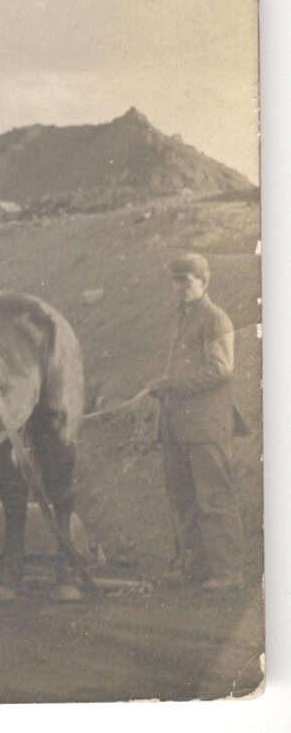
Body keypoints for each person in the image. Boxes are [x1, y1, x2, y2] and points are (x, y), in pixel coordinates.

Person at [149, 252, 245, 591]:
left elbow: (221, 369)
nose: (178, 287)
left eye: (185, 280)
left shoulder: (214, 319)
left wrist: (172, 385)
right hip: (179, 425)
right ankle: (194, 567)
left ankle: (229, 571)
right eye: (175, 280)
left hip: (206, 426)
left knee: (214, 497)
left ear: (204, 282)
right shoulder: (182, 317)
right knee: (183, 497)